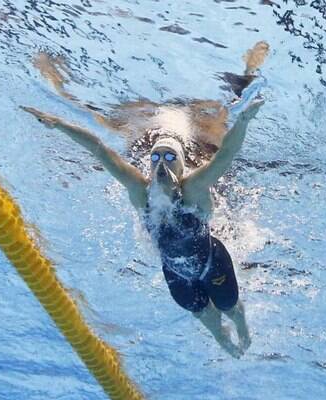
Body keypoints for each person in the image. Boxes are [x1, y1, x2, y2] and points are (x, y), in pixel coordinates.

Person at [23, 42, 268, 358]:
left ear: (181, 165)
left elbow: (225, 157)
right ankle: (224, 343)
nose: (162, 162)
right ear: (149, 164)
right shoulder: (141, 191)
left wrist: (244, 121)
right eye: (156, 157)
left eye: (170, 156)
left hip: (212, 262)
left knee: (228, 307)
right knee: (205, 316)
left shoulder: (192, 190)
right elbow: (100, 150)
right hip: (176, 274)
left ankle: (244, 333)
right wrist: (58, 124)